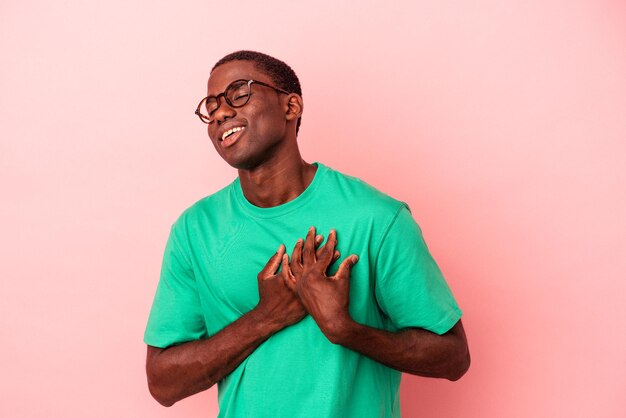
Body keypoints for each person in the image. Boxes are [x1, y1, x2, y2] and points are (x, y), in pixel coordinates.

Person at [144, 50, 470, 417]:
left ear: (291, 106)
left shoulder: (376, 218)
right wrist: (265, 317)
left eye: (239, 93)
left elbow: (453, 357)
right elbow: (162, 382)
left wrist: (345, 330)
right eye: (212, 105)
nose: (220, 112)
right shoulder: (194, 230)